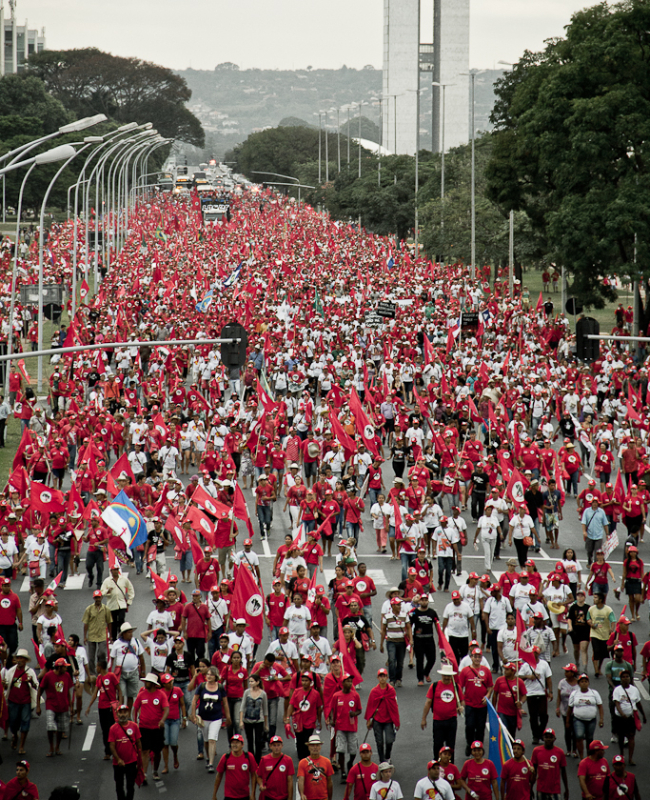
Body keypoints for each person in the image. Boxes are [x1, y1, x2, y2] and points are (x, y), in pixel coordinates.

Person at [191, 665, 230, 773]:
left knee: (212, 739)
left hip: (216, 718)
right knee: (206, 739)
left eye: (211, 675)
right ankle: (208, 755)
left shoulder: (220, 687)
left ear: (215, 676)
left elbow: (225, 703)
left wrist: (227, 717)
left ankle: (211, 763)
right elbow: (194, 700)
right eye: (207, 674)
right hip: (203, 718)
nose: (208, 676)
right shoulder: (202, 686)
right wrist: (193, 715)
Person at [421, 663, 464, 760]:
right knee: (437, 745)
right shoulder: (435, 686)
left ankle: (450, 768)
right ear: (442, 675)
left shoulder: (456, 687)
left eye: (449, 675)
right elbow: (428, 702)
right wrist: (424, 718)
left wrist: (461, 707)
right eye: (445, 675)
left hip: (451, 720)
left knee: (450, 746)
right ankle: (437, 765)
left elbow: (462, 701)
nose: (447, 677)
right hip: (438, 720)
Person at [132, 672, 169, 783]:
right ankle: (144, 774)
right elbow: (135, 707)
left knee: (157, 751)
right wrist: (134, 723)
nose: (145, 683)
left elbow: (166, 709)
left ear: (153, 684)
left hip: (157, 728)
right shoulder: (141, 694)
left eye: (147, 682)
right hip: (144, 727)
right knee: (145, 751)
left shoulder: (161, 695)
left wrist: (162, 720)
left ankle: (155, 771)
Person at [85, 656, 123, 760]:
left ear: (100, 667)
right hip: (102, 708)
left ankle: (115, 750)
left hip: (111, 708)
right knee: (105, 730)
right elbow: (95, 693)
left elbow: (119, 690)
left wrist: (119, 705)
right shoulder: (99, 678)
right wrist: (89, 706)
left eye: (97, 666)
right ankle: (108, 752)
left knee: (112, 729)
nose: (96, 668)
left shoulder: (111, 676)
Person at [36, 656, 75, 757]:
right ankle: (51, 746)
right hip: (51, 705)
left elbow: (68, 692)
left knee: (61, 728)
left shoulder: (66, 676)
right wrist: (38, 706)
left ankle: (57, 746)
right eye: (65, 667)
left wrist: (71, 707)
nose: (66, 669)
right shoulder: (48, 676)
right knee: (50, 726)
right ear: (59, 668)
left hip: (63, 706)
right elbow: (40, 689)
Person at [458, 647, 493, 756]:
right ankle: (470, 744)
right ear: (471, 657)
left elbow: (490, 687)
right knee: (469, 726)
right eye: (475, 656)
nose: (477, 659)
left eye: (479, 657)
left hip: (481, 705)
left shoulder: (486, 671)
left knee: (480, 727)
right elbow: (460, 686)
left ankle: (479, 747)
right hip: (469, 704)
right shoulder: (465, 671)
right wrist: (461, 700)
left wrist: (487, 696)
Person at [329, 673, 362, 782]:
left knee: (353, 750)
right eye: (347, 681)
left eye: (351, 681)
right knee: (341, 750)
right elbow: (332, 709)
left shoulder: (355, 695)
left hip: (352, 728)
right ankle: (343, 771)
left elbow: (360, 710)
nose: (349, 683)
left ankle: (350, 762)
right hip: (340, 727)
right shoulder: (336, 696)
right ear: (342, 683)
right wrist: (331, 720)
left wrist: (355, 713)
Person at [517, 646, 553, 745]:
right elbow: (519, 677)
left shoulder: (544, 664)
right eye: (533, 653)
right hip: (530, 693)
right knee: (533, 716)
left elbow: (548, 678)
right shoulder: (526, 665)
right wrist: (529, 676)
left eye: (536, 653)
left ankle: (540, 732)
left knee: (543, 715)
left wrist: (551, 691)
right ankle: (535, 736)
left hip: (541, 692)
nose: (534, 655)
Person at [365, 668, 400, 763]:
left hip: (388, 720)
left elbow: (394, 707)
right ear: (378, 678)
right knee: (379, 741)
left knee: (389, 740)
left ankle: (387, 756)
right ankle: (382, 761)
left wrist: (397, 721)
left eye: (384, 676)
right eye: (380, 676)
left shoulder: (391, 690)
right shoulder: (374, 691)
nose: (382, 678)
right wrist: (368, 720)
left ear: (387, 677)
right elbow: (370, 706)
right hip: (377, 720)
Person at [108, 704, 143, 800]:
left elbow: (139, 742)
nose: (123, 714)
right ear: (117, 714)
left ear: (128, 713)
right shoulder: (113, 729)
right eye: (121, 712)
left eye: (125, 712)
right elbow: (112, 745)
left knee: (130, 786)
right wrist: (118, 759)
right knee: (119, 786)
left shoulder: (134, 726)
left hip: (131, 762)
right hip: (118, 763)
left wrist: (140, 758)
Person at [286, 672, 323, 761]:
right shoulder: (296, 692)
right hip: (298, 721)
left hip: (310, 721)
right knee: (299, 740)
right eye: (303, 680)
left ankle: (307, 758)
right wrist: (287, 718)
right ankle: (301, 759)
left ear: (311, 682)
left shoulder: (315, 694)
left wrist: (319, 721)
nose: (304, 682)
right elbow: (291, 704)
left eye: (306, 680)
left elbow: (319, 708)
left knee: (307, 740)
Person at [612, 669, 646, 765]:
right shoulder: (617, 690)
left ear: (630, 678)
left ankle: (630, 758)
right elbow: (617, 703)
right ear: (620, 679)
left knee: (631, 737)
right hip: (620, 718)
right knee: (621, 736)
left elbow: (638, 703)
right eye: (623, 677)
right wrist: (622, 714)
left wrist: (643, 714)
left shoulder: (634, 690)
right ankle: (622, 754)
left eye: (627, 676)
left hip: (631, 717)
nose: (625, 678)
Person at [110, 622, 146, 709]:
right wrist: (110, 673)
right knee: (121, 694)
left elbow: (141, 657)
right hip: (121, 673)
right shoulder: (117, 643)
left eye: (131, 632)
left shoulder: (136, 641)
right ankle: (120, 711)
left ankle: (128, 714)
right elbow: (112, 658)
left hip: (133, 672)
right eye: (128, 632)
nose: (131, 634)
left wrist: (143, 671)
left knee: (131, 695)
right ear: (123, 633)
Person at [568, 673, 604, 758]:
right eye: (582, 681)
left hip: (591, 719)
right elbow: (570, 708)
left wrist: (601, 719)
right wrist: (567, 721)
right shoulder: (574, 693)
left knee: (589, 738)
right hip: (578, 719)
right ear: (579, 683)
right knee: (579, 736)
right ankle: (581, 757)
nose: (584, 683)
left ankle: (589, 757)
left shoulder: (594, 693)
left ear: (588, 683)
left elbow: (600, 706)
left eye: (585, 681)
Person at [212, 734, 258, 800]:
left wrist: (253, 794)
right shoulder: (226, 757)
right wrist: (214, 795)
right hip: (229, 795)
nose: (234, 744)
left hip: (244, 795)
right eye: (233, 742)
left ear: (242, 745)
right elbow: (219, 776)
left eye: (237, 742)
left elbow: (254, 775)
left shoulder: (249, 757)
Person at [531, 728, 569, 800]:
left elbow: (563, 772)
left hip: (555, 790)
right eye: (546, 737)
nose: (548, 739)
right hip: (541, 789)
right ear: (543, 738)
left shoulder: (560, 752)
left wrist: (566, 789)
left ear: (554, 739)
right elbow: (534, 771)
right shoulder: (536, 751)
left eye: (550, 737)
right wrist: (530, 788)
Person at [409, 593, 439, 685]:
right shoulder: (415, 612)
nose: (424, 601)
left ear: (428, 601)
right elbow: (409, 626)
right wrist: (410, 638)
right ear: (419, 601)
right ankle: (420, 679)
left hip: (429, 639)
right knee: (419, 659)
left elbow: (437, 625)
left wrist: (440, 638)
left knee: (432, 658)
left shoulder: (432, 612)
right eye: (422, 600)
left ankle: (426, 672)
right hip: (418, 639)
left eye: (426, 600)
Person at [240, 673, 269, 764]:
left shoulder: (263, 694)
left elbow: (265, 709)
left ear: (258, 682)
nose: (250, 683)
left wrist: (266, 724)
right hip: (247, 720)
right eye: (249, 681)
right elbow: (242, 707)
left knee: (258, 740)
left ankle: (258, 760)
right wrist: (241, 721)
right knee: (250, 740)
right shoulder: (247, 692)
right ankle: (250, 759)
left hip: (259, 720)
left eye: (252, 681)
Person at [82, 590, 113, 674]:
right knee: (91, 657)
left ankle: (101, 671)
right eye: (96, 598)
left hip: (102, 635)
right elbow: (86, 623)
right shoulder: (89, 609)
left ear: (101, 597)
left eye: (99, 597)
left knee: (102, 653)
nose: (97, 599)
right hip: (92, 635)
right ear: (93, 598)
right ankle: (92, 674)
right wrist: (85, 636)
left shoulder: (106, 609)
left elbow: (109, 622)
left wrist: (110, 635)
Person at [257, 735, 295, 800]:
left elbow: (290, 781)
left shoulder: (288, 760)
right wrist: (261, 784)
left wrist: (290, 797)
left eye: (278, 745)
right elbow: (259, 776)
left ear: (282, 746)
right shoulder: (264, 760)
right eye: (274, 745)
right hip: (269, 796)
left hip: (283, 796)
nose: (276, 747)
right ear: (270, 746)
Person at [297, 735, 334, 800]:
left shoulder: (327, 762)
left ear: (320, 747)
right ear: (308, 747)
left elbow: (329, 781)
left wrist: (330, 797)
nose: (315, 747)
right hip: (309, 798)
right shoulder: (302, 763)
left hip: (323, 798)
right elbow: (301, 780)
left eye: (317, 745)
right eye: (312, 745)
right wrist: (302, 794)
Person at [588, 593, 616, 677]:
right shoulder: (591, 609)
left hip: (605, 634)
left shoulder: (608, 610)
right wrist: (591, 624)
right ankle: (596, 670)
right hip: (594, 633)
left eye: (596, 598)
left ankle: (599, 667)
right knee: (596, 650)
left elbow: (613, 620)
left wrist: (611, 629)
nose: (594, 599)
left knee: (603, 653)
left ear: (600, 600)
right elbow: (588, 618)